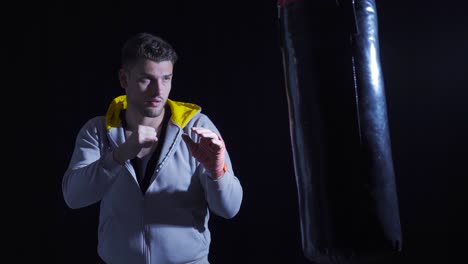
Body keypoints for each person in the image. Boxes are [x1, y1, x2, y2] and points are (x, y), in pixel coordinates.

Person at [62, 32, 243, 264]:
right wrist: (120, 154)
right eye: (146, 79)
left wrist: (217, 171)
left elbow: (229, 209)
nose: (158, 91)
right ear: (124, 80)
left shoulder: (197, 128)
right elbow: (74, 197)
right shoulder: (97, 131)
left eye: (166, 78)